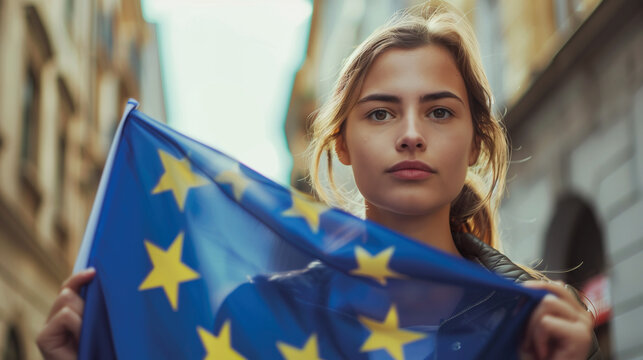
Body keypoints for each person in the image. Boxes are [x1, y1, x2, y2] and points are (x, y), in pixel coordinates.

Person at [37, 1, 599, 359]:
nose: (410, 134)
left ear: (476, 140)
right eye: (380, 113)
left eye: (439, 111)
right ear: (341, 147)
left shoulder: (546, 321)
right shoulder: (257, 315)